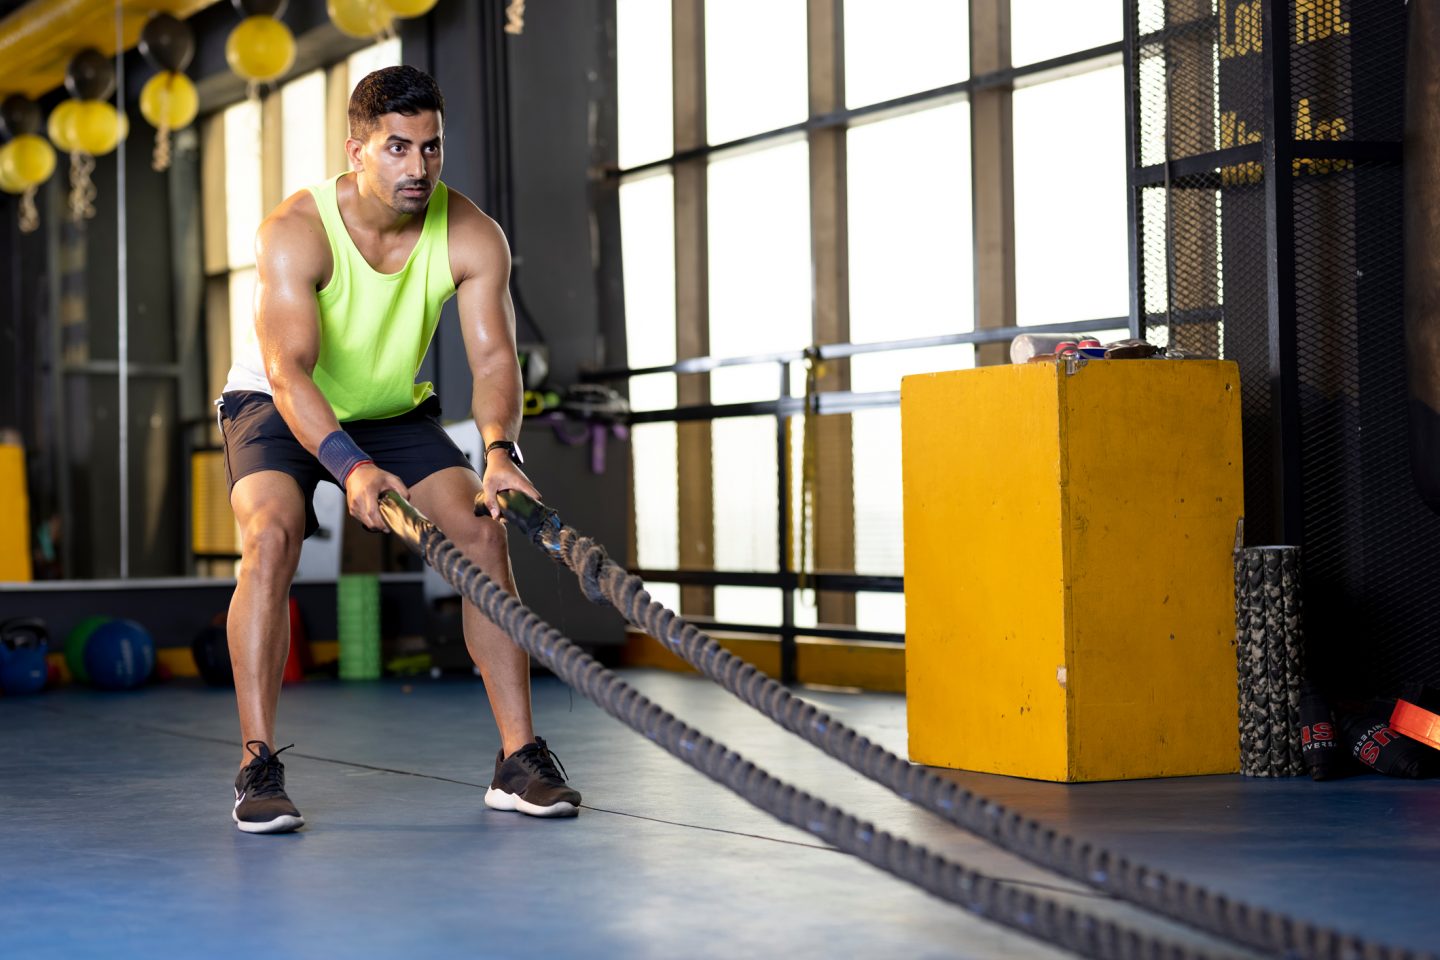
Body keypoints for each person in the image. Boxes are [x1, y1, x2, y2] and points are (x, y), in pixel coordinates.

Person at [216, 65, 580, 833]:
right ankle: (257, 764)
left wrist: (500, 449)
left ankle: (518, 759)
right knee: (271, 536)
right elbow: (288, 370)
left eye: (431, 148)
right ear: (357, 151)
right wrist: (348, 468)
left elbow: (493, 362)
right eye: (397, 148)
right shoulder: (295, 230)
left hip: (387, 410)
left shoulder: (472, 232)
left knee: (481, 532)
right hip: (278, 402)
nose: (418, 168)